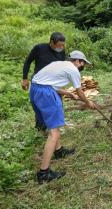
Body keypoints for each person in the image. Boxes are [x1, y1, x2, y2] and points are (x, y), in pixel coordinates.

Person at [30, 50, 96, 184]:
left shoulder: (58, 64)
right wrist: (88, 102)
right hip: (46, 94)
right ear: (77, 61)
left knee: (52, 126)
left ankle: (59, 151)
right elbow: (80, 92)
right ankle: (44, 173)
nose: (82, 66)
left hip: (35, 90)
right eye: (82, 63)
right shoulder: (73, 70)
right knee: (54, 132)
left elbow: (49, 83)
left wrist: (68, 93)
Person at [22, 32, 66, 131]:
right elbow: (28, 61)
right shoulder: (39, 48)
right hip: (40, 83)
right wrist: (25, 78)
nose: (61, 47)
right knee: (41, 106)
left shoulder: (62, 51)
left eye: (63, 45)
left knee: (57, 104)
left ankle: (55, 128)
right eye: (59, 45)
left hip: (54, 83)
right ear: (52, 42)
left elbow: (61, 67)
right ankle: (41, 128)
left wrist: (61, 84)